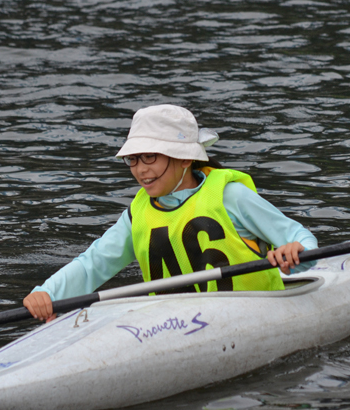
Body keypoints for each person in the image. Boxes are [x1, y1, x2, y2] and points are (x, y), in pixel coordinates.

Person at [23, 104, 318, 322]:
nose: (141, 169)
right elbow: (94, 263)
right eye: (133, 159)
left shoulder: (231, 195)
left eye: (150, 157)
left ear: (186, 158)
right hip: (174, 326)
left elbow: (300, 239)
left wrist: (295, 251)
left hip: (255, 315)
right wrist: (48, 294)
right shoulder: (138, 213)